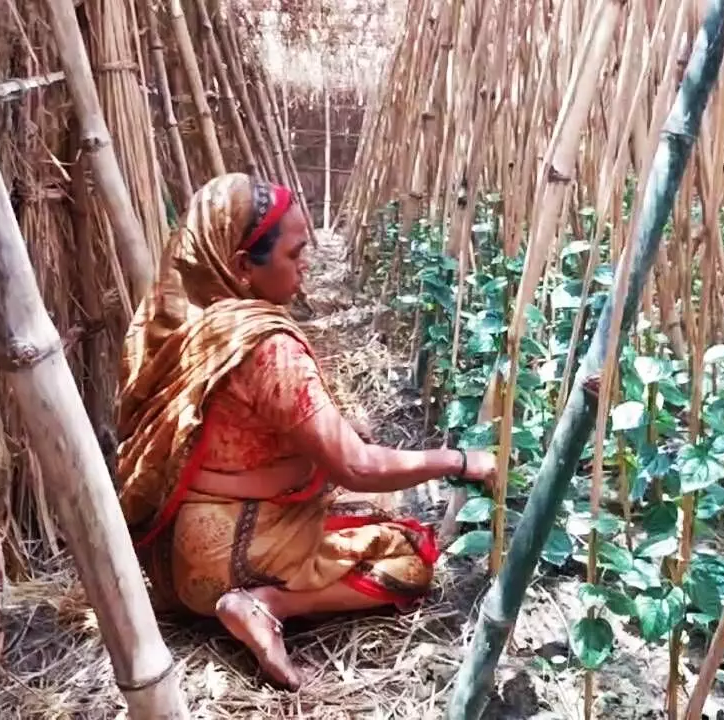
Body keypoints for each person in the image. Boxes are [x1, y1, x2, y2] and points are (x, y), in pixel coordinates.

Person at [114, 173, 497, 691]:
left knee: (352, 521)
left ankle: (248, 594)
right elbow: (357, 466)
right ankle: (268, 604)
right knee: (411, 555)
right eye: (294, 256)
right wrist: (461, 462)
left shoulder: (175, 326)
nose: (305, 268)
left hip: (171, 564)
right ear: (242, 267)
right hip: (234, 555)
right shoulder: (264, 347)